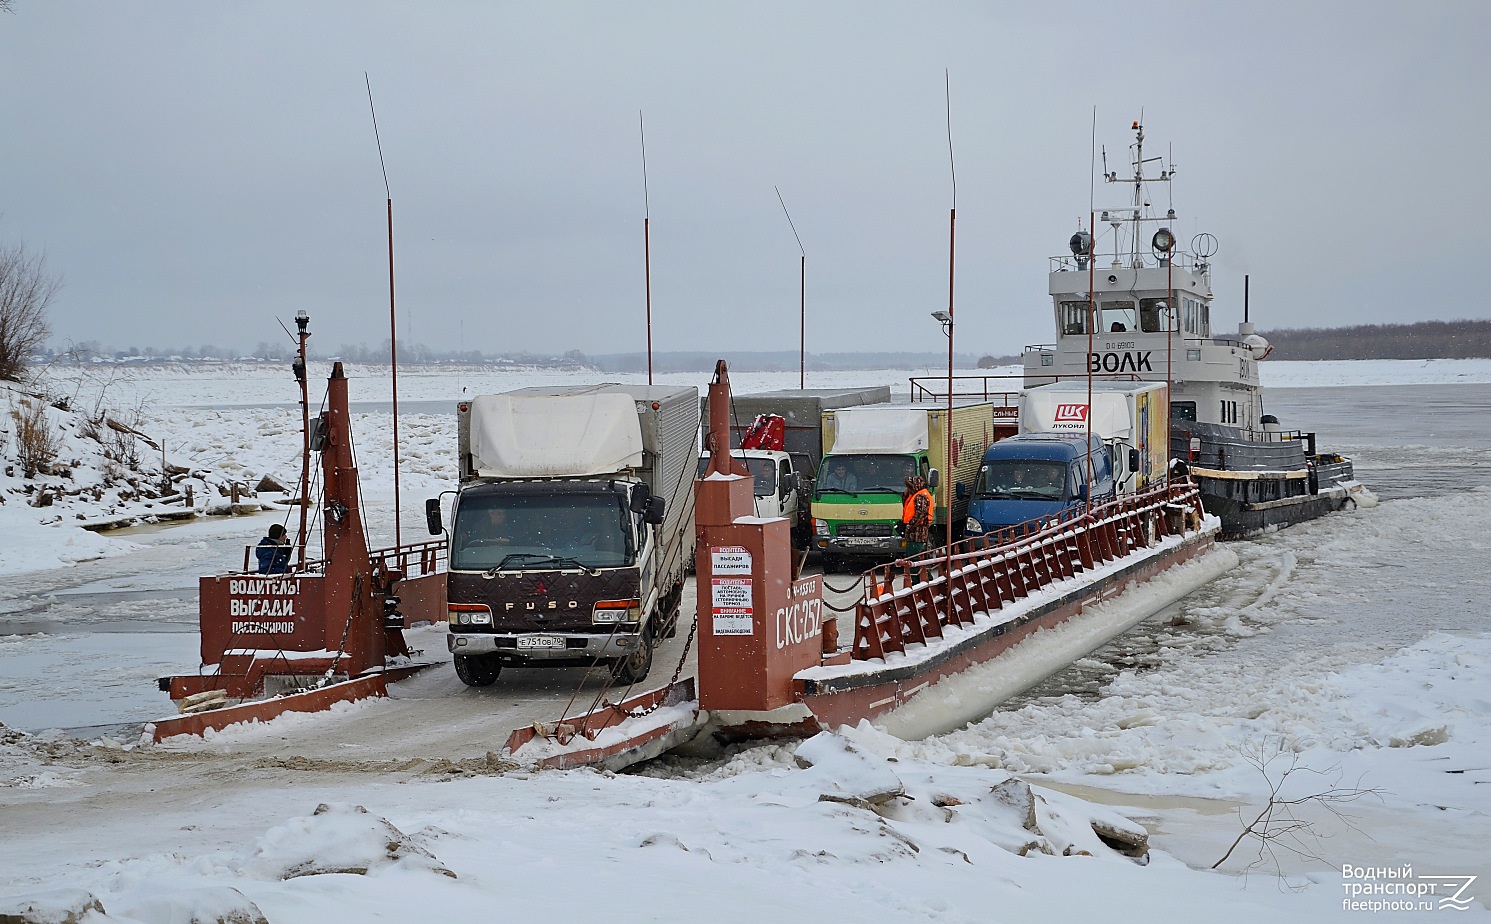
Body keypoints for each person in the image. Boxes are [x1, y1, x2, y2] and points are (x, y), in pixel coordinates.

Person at [901, 475, 933, 553]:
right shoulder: (917, 495)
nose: (908, 489)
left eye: (909, 487)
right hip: (916, 533)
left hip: (917, 533)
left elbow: (920, 515)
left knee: (913, 556)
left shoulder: (921, 496)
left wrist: (909, 526)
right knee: (913, 555)